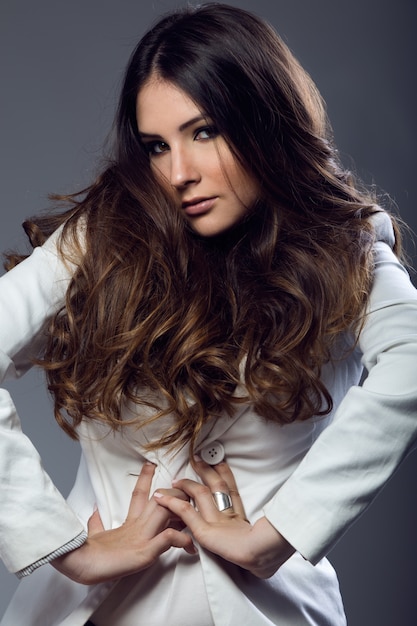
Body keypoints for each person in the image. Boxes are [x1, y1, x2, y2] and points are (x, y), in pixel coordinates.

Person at [1, 3, 416, 625]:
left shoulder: (345, 252)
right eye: (156, 146)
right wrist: (64, 546)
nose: (178, 173)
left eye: (204, 132)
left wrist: (280, 532)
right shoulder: (104, 238)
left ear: (264, 122)